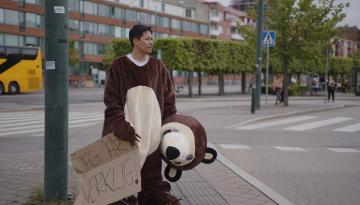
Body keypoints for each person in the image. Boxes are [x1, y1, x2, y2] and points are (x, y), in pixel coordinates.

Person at [102, 25, 180, 205]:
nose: (151, 42)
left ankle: (152, 195)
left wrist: (170, 125)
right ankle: (121, 197)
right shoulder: (119, 65)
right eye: (147, 38)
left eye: (152, 38)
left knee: (151, 176)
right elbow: (111, 101)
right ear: (135, 41)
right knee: (119, 174)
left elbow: (169, 100)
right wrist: (120, 125)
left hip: (151, 133)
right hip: (126, 132)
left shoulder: (157, 66)